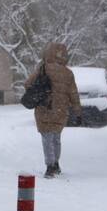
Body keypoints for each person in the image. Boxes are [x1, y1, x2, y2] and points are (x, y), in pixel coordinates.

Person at [25, 42, 82, 178]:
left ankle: (50, 166)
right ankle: (56, 163)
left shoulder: (43, 68)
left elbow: (28, 83)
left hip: (45, 108)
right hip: (61, 110)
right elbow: (73, 93)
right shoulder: (68, 73)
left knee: (47, 138)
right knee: (56, 138)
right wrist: (77, 111)